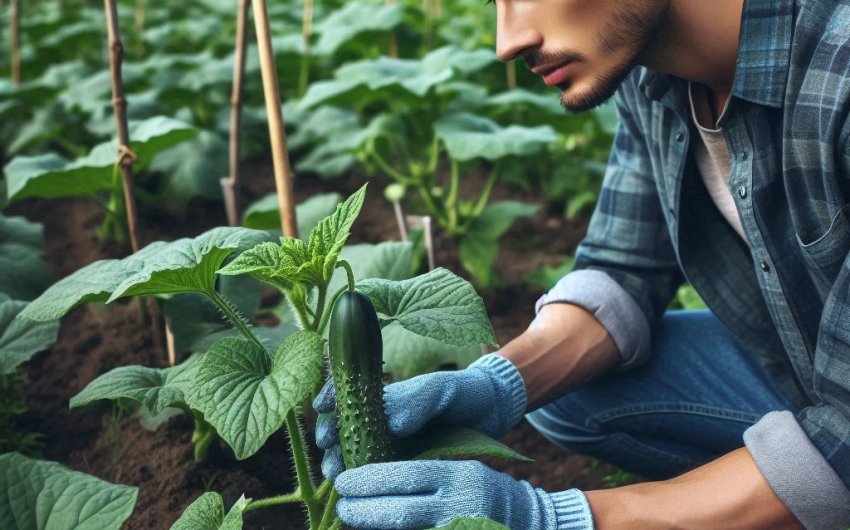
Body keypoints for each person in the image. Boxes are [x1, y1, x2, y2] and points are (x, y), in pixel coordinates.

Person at [313, 0, 850, 528]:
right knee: (561, 395)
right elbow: (625, 267)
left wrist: (562, 518)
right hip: (815, 370)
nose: (507, 41)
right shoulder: (653, 76)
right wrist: (496, 386)